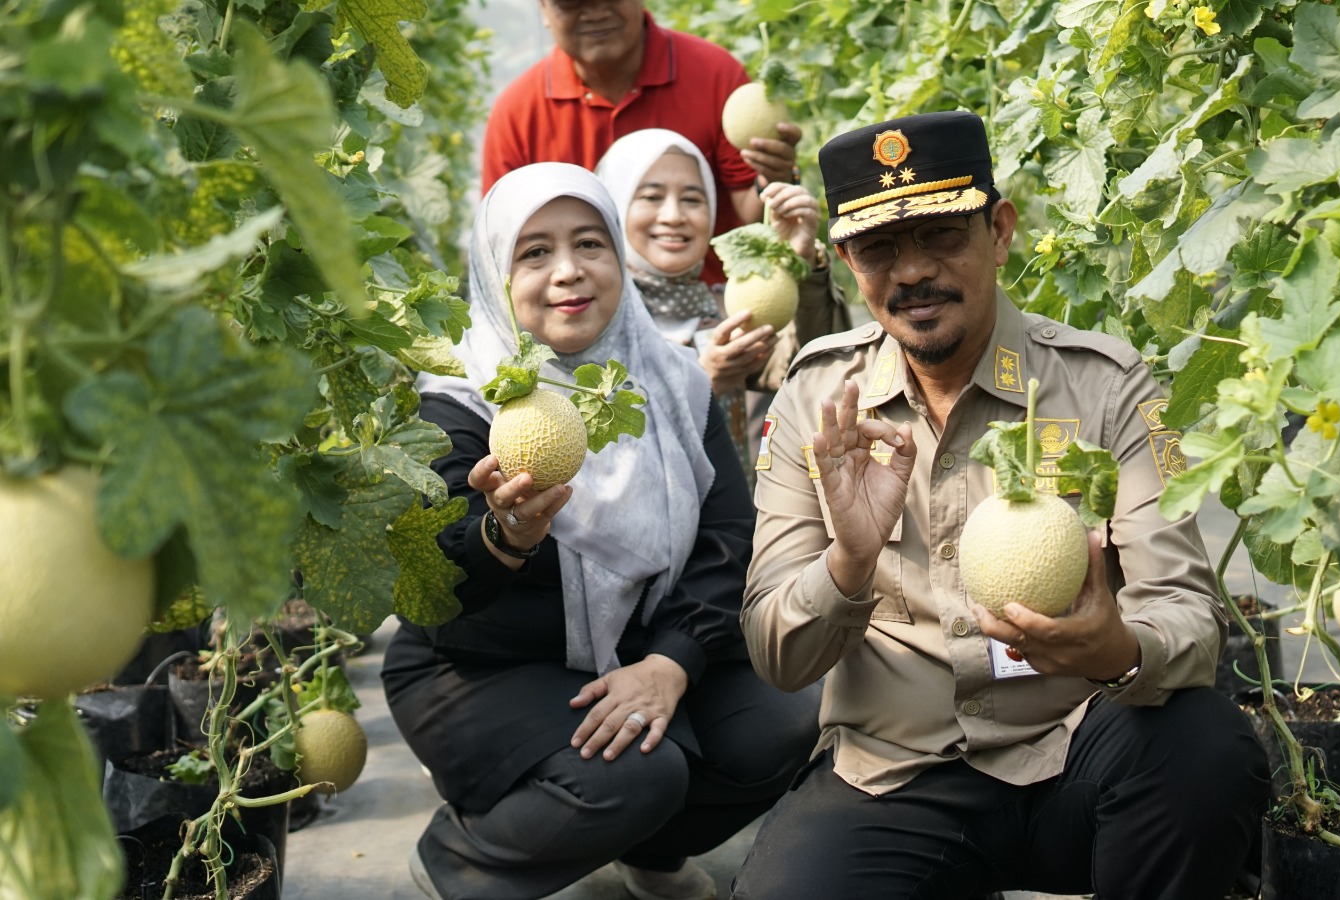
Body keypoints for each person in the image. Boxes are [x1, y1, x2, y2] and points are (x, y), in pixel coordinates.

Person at [733, 112, 1270, 899]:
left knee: (1206, 745)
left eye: (945, 236)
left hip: (1077, 754)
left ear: (1001, 231)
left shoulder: (1106, 387)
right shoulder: (822, 397)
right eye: (881, 248)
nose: (913, 272)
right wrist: (848, 563)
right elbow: (777, 656)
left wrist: (1117, 650)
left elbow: (1188, 616)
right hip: (894, 775)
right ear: (848, 262)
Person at [388, 163, 820, 900]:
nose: (568, 272)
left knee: (784, 721)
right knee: (637, 774)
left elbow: (728, 541)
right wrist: (503, 541)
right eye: (534, 252)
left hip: (641, 644)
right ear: (495, 272)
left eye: (589, 243)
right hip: (482, 669)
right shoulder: (456, 406)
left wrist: (674, 663)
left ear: (619, 257)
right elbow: (437, 599)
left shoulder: (672, 382)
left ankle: (647, 852)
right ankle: (462, 858)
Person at [482, 0, 801, 282]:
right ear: (544, 10)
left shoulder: (716, 74)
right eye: (572, 2)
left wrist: (773, 176)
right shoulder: (518, 112)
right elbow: (503, 245)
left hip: (711, 313)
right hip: (581, 326)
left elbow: (748, 208)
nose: (594, 11)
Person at [595, 128, 849, 476]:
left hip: (739, 527)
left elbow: (816, 370)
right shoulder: (594, 323)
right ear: (614, 206)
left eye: (692, 198)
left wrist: (799, 265)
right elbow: (605, 457)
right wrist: (704, 383)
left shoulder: (727, 307)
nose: (673, 216)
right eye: (651, 197)